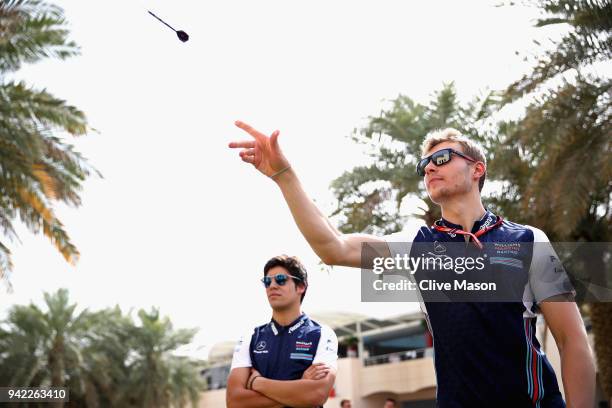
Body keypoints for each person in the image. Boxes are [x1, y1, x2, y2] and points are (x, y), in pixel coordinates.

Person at [229, 122, 596, 407]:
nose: (429, 169)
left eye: (442, 159)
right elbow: (334, 247)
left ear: (477, 169)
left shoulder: (528, 241)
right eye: (424, 165)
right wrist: (284, 175)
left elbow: (572, 338)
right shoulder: (417, 245)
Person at [226, 255, 338, 408]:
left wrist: (257, 383)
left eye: (280, 279)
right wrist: (300, 388)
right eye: (267, 281)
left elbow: (317, 394)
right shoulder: (250, 337)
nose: (272, 285)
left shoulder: (322, 334)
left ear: (301, 287)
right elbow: (235, 401)